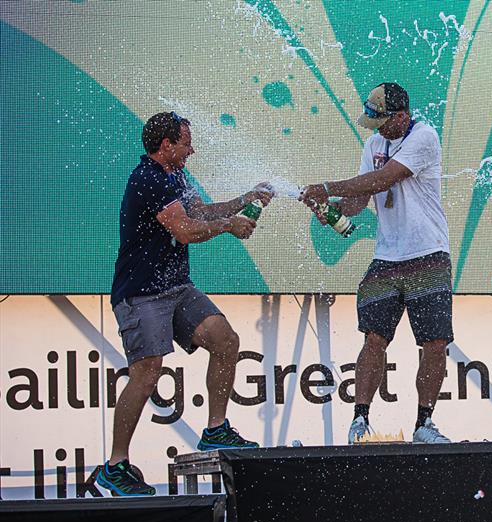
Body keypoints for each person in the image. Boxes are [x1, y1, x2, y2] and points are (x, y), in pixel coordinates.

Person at [97, 112, 273, 496]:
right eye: (186, 142)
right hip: (142, 293)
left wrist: (248, 197)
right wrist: (231, 226)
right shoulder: (149, 178)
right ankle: (114, 465)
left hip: (176, 287)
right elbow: (187, 231)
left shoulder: (176, 175)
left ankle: (214, 431)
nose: (192, 148)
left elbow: (203, 213)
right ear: (166, 145)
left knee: (225, 341)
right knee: (146, 374)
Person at [300, 82, 453, 445]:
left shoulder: (424, 138)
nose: (378, 130)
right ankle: (359, 420)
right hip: (386, 256)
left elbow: (385, 177)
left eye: (383, 122)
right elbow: (359, 200)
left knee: (433, 342)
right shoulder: (374, 144)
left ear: (401, 116)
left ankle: (424, 423)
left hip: (428, 252)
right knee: (373, 338)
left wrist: (327, 185)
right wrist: (331, 209)